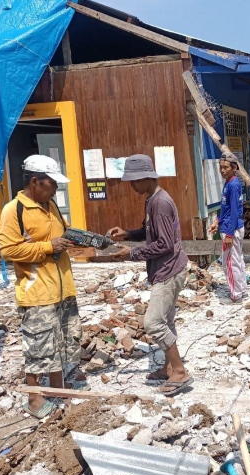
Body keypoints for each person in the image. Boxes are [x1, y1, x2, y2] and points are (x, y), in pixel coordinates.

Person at [0, 154, 88, 419]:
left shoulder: (51, 206)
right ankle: (34, 398)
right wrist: (48, 247)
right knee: (38, 348)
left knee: (62, 342)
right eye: (52, 184)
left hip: (62, 289)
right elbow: (7, 249)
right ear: (35, 182)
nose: (56, 189)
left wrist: (77, 239)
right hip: (37, 293)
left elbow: (61, 233)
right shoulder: (14, 210)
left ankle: (58, 389)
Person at [107, 154, 193, 397]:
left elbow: (164, 244)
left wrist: (131, 253)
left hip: (168, 270)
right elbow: (151, 234)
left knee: (153, 323)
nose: (131, 186)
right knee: (166, 320)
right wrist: (128, 234)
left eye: (134, 181)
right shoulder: (152, 200)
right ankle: (168, 367)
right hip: (166, 268)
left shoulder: (160, 204)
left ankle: (179, 372)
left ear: (146, 177)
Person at [210, 151, 247, 302]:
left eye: (225, 167)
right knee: (237, 260)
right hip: (229, 225)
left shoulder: (233, 185)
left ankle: (236, 294)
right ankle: (242, 290)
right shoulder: (229, 183)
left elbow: (234, 212)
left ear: (234, 167)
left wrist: (229, 235)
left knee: (230, 264)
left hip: (231, 228)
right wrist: (217, 221)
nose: (222, 170)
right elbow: (225, 208)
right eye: (220, 167)